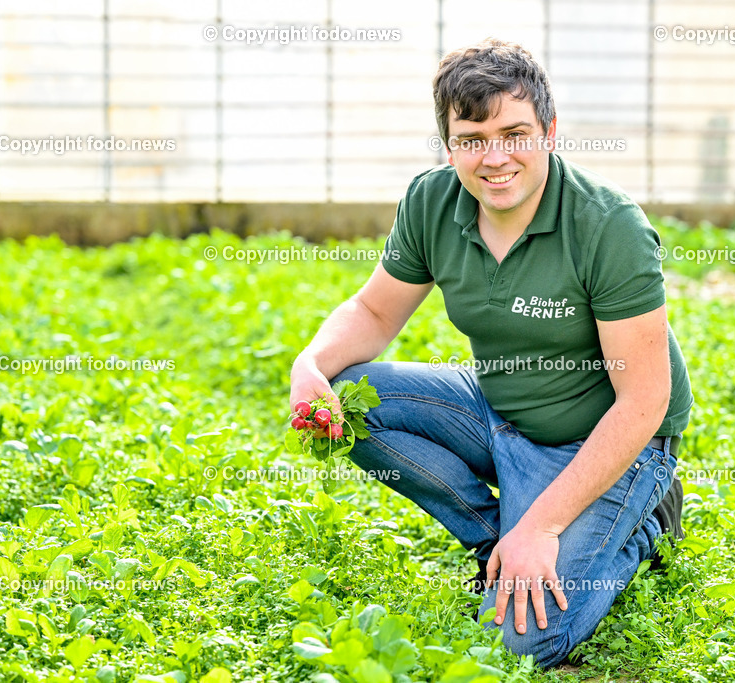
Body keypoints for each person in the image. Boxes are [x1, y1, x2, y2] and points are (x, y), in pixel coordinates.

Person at [289, 37, 692, 669]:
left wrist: (546, 525)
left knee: (525, 642)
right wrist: (309, 365)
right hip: (499, 406)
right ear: (450, 145)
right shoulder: (432, 201)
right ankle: (496, 541)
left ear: (549, 131)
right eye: (472, 138)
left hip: (610, 439)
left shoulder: (607, 225)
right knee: (352, 400)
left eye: (515, 133)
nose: (494, 157)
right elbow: (373, 311)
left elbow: (645, 400)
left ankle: (640, 527)